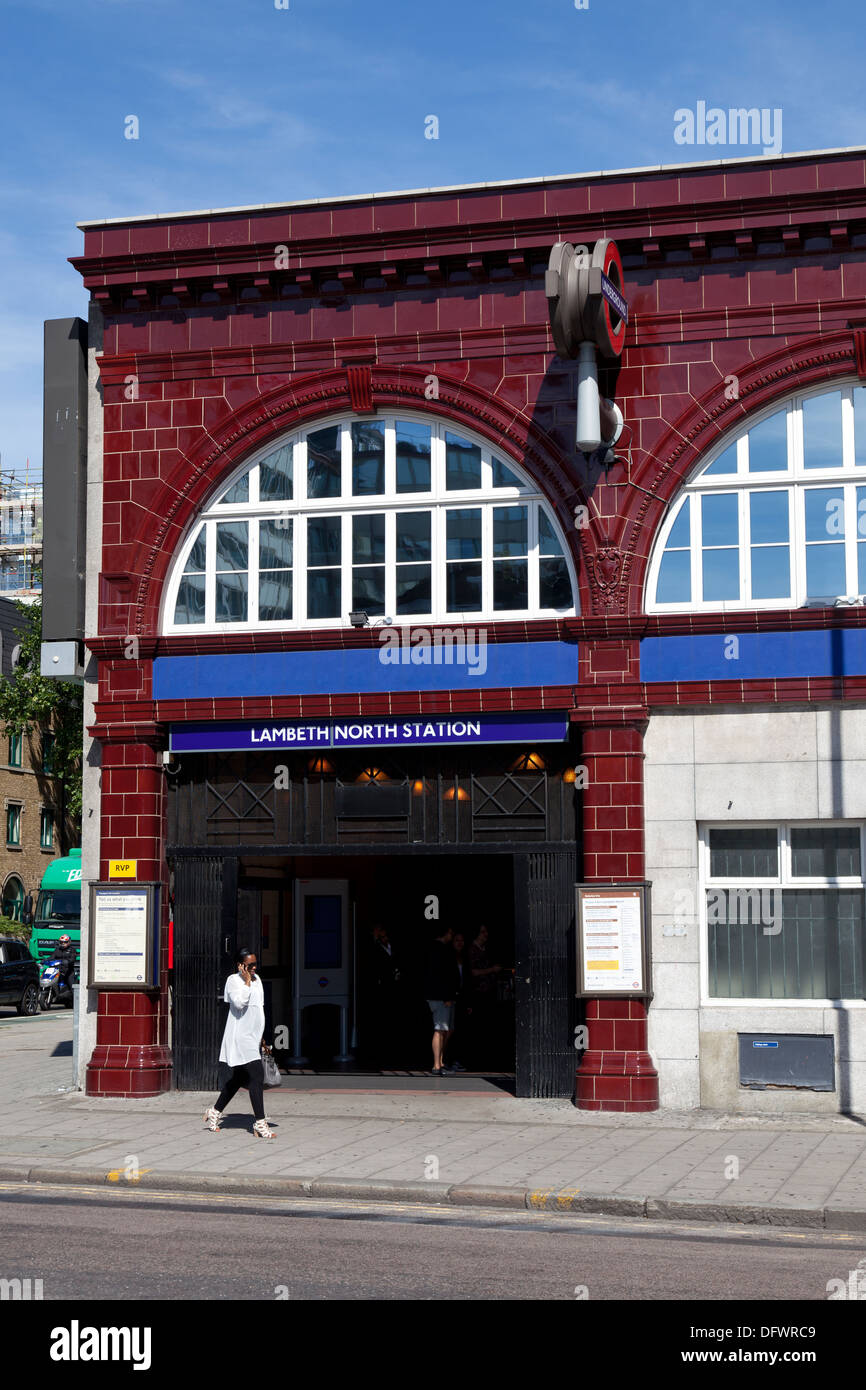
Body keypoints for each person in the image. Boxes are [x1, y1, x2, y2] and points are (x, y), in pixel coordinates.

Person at [204, 948, 275, 1139]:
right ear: (240, 965)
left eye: (255, 964)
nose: (254, 968)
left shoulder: (258, 980)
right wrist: (246, 983)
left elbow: (257, 1010)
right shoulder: (233, 981)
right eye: (250, 965)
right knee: (256, 1076)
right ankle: (260, 1123)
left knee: (237, 1080)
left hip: (252, 1037)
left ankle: (215, 1111)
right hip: (240, 1037)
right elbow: (238, 1004)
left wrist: (260, 1036)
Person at [423, 925, 461, 1076]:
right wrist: (447, 996)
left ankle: (440, 1061)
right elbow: (442, 975)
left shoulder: (432, 949)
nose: (451, 936)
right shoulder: (441, 950)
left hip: (437, 995)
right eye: (450, 933)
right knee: (440, 1029)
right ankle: (436, 1065)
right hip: (441, 997)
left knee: (445, 1029)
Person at [469, 924, 502, 1069]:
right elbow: (473, 972)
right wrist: (491, 970)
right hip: (477, 992)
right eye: (482, 932)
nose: (485, 934)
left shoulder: (486, 950)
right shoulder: (472, 950)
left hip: (488, 991)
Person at [447, 932, 469, 1071]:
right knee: (449, 1030)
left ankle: (457, 1060)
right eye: (456, 940)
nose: (459, 943)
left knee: (460, 1030)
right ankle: (446, 1059)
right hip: (450, 997)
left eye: (462, 940)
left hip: (462, 997)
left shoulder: (465, 958)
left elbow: (468, 980)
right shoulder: (448, 957)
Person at [55, 933, 77, 998]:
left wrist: (67, 961)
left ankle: (74, 1000)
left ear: (69, 942)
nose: (63, 943)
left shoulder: (72, 950)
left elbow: (73, 959)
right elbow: (52, 957)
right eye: (61, 942)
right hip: (58, 971)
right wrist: (45, 960)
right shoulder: (57, 949)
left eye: (65, 942)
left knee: (72, 986)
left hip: (68, 971)